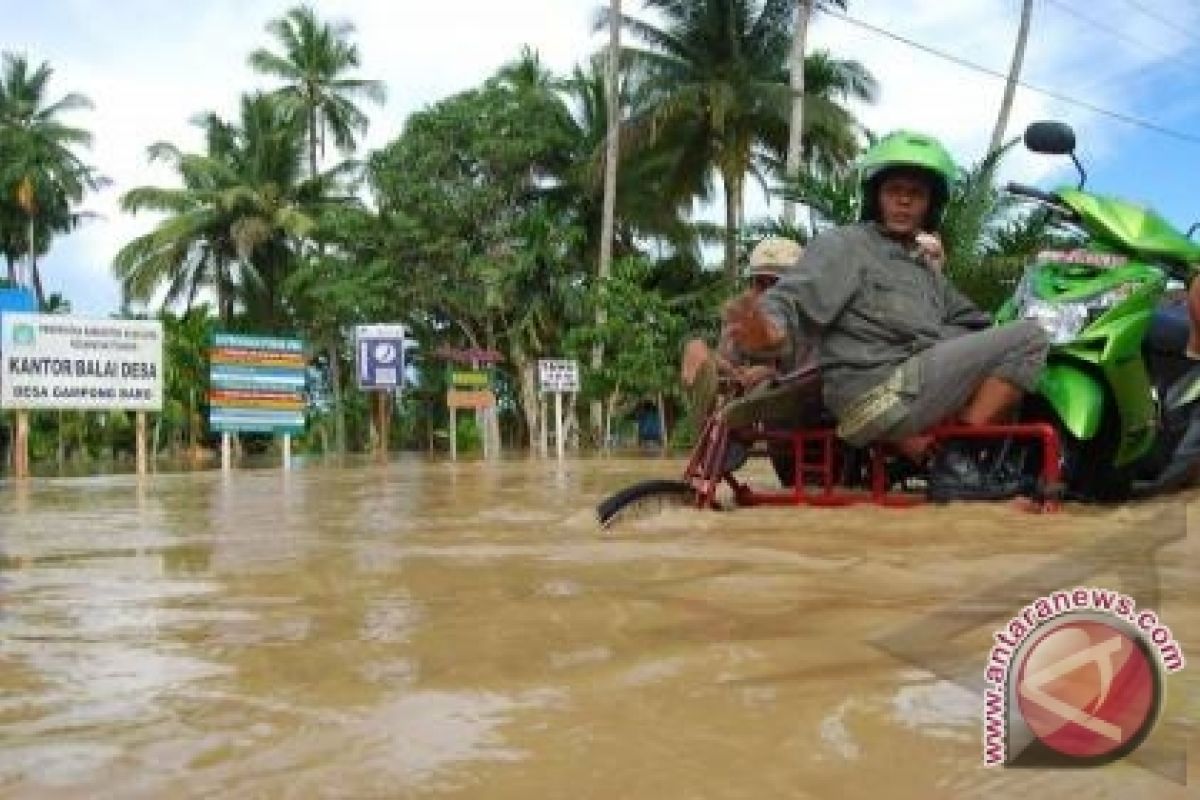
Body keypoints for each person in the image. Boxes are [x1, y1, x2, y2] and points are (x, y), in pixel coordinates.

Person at [725, 130, 1050, 500]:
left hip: (901, 391)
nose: (904, 201)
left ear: (931, 205)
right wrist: (768, 334)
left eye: (917, 194)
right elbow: (791, 297)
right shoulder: (846, 244)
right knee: (1030, 338)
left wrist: (942, 274)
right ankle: (958, 466)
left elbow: (979, 323)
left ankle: (963, 464)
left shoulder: (925, 271)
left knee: (1008, 340)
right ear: (875, 196)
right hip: (880, 390)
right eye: (894, 190)